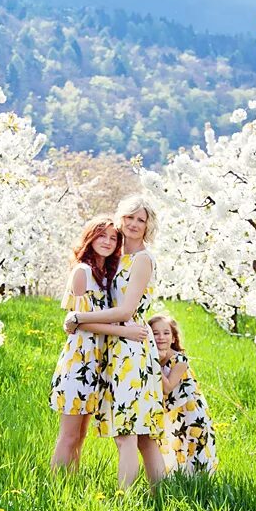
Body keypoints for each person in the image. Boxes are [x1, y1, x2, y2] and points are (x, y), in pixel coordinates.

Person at [65, 195, 170, 489]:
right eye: (130, 218)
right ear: (120, 219)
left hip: (132, 350)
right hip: (117, 347)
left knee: (127, 434)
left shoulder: (142, 260)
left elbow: (126, 311)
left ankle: (124, 503)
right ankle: (160, 496)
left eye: (141, 220)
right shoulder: (118, 257)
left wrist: (79, 318)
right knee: (144, 435)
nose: (135, 224)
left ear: (148, 225)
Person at [49, 216, 150, 472]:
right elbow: (76, 322)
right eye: (101, 235)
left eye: (113, 237)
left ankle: (68, 486)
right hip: (79, 361)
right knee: (69, 436)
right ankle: (56, 487)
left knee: (80, 437)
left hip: (99, 363)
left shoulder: (106, 275)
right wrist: (124, 332)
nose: (106, 242)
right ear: (90, 238)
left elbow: (87, 318)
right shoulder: (82, 272)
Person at [149, 314, 218, 475]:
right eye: (155, 333)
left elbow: (167, 388)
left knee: (192, 447)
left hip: (190, 411)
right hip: (171, 412)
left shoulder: (179, 360)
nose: (161, 337)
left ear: (173, 338)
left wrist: (153, 362)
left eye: (166, 333)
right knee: (173, 446)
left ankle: (200, 484)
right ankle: (173, 480)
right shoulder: (151, 357)